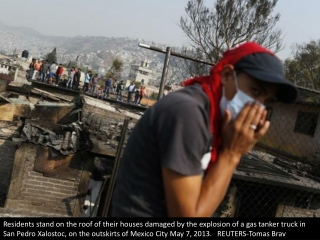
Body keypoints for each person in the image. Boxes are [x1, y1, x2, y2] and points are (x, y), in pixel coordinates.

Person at [111, 42, 298, 217]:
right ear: (226, 75)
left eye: (266, 100)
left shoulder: (215, 119)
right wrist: (232, 154)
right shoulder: (188, 113)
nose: (258, 107)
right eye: (255, 91)